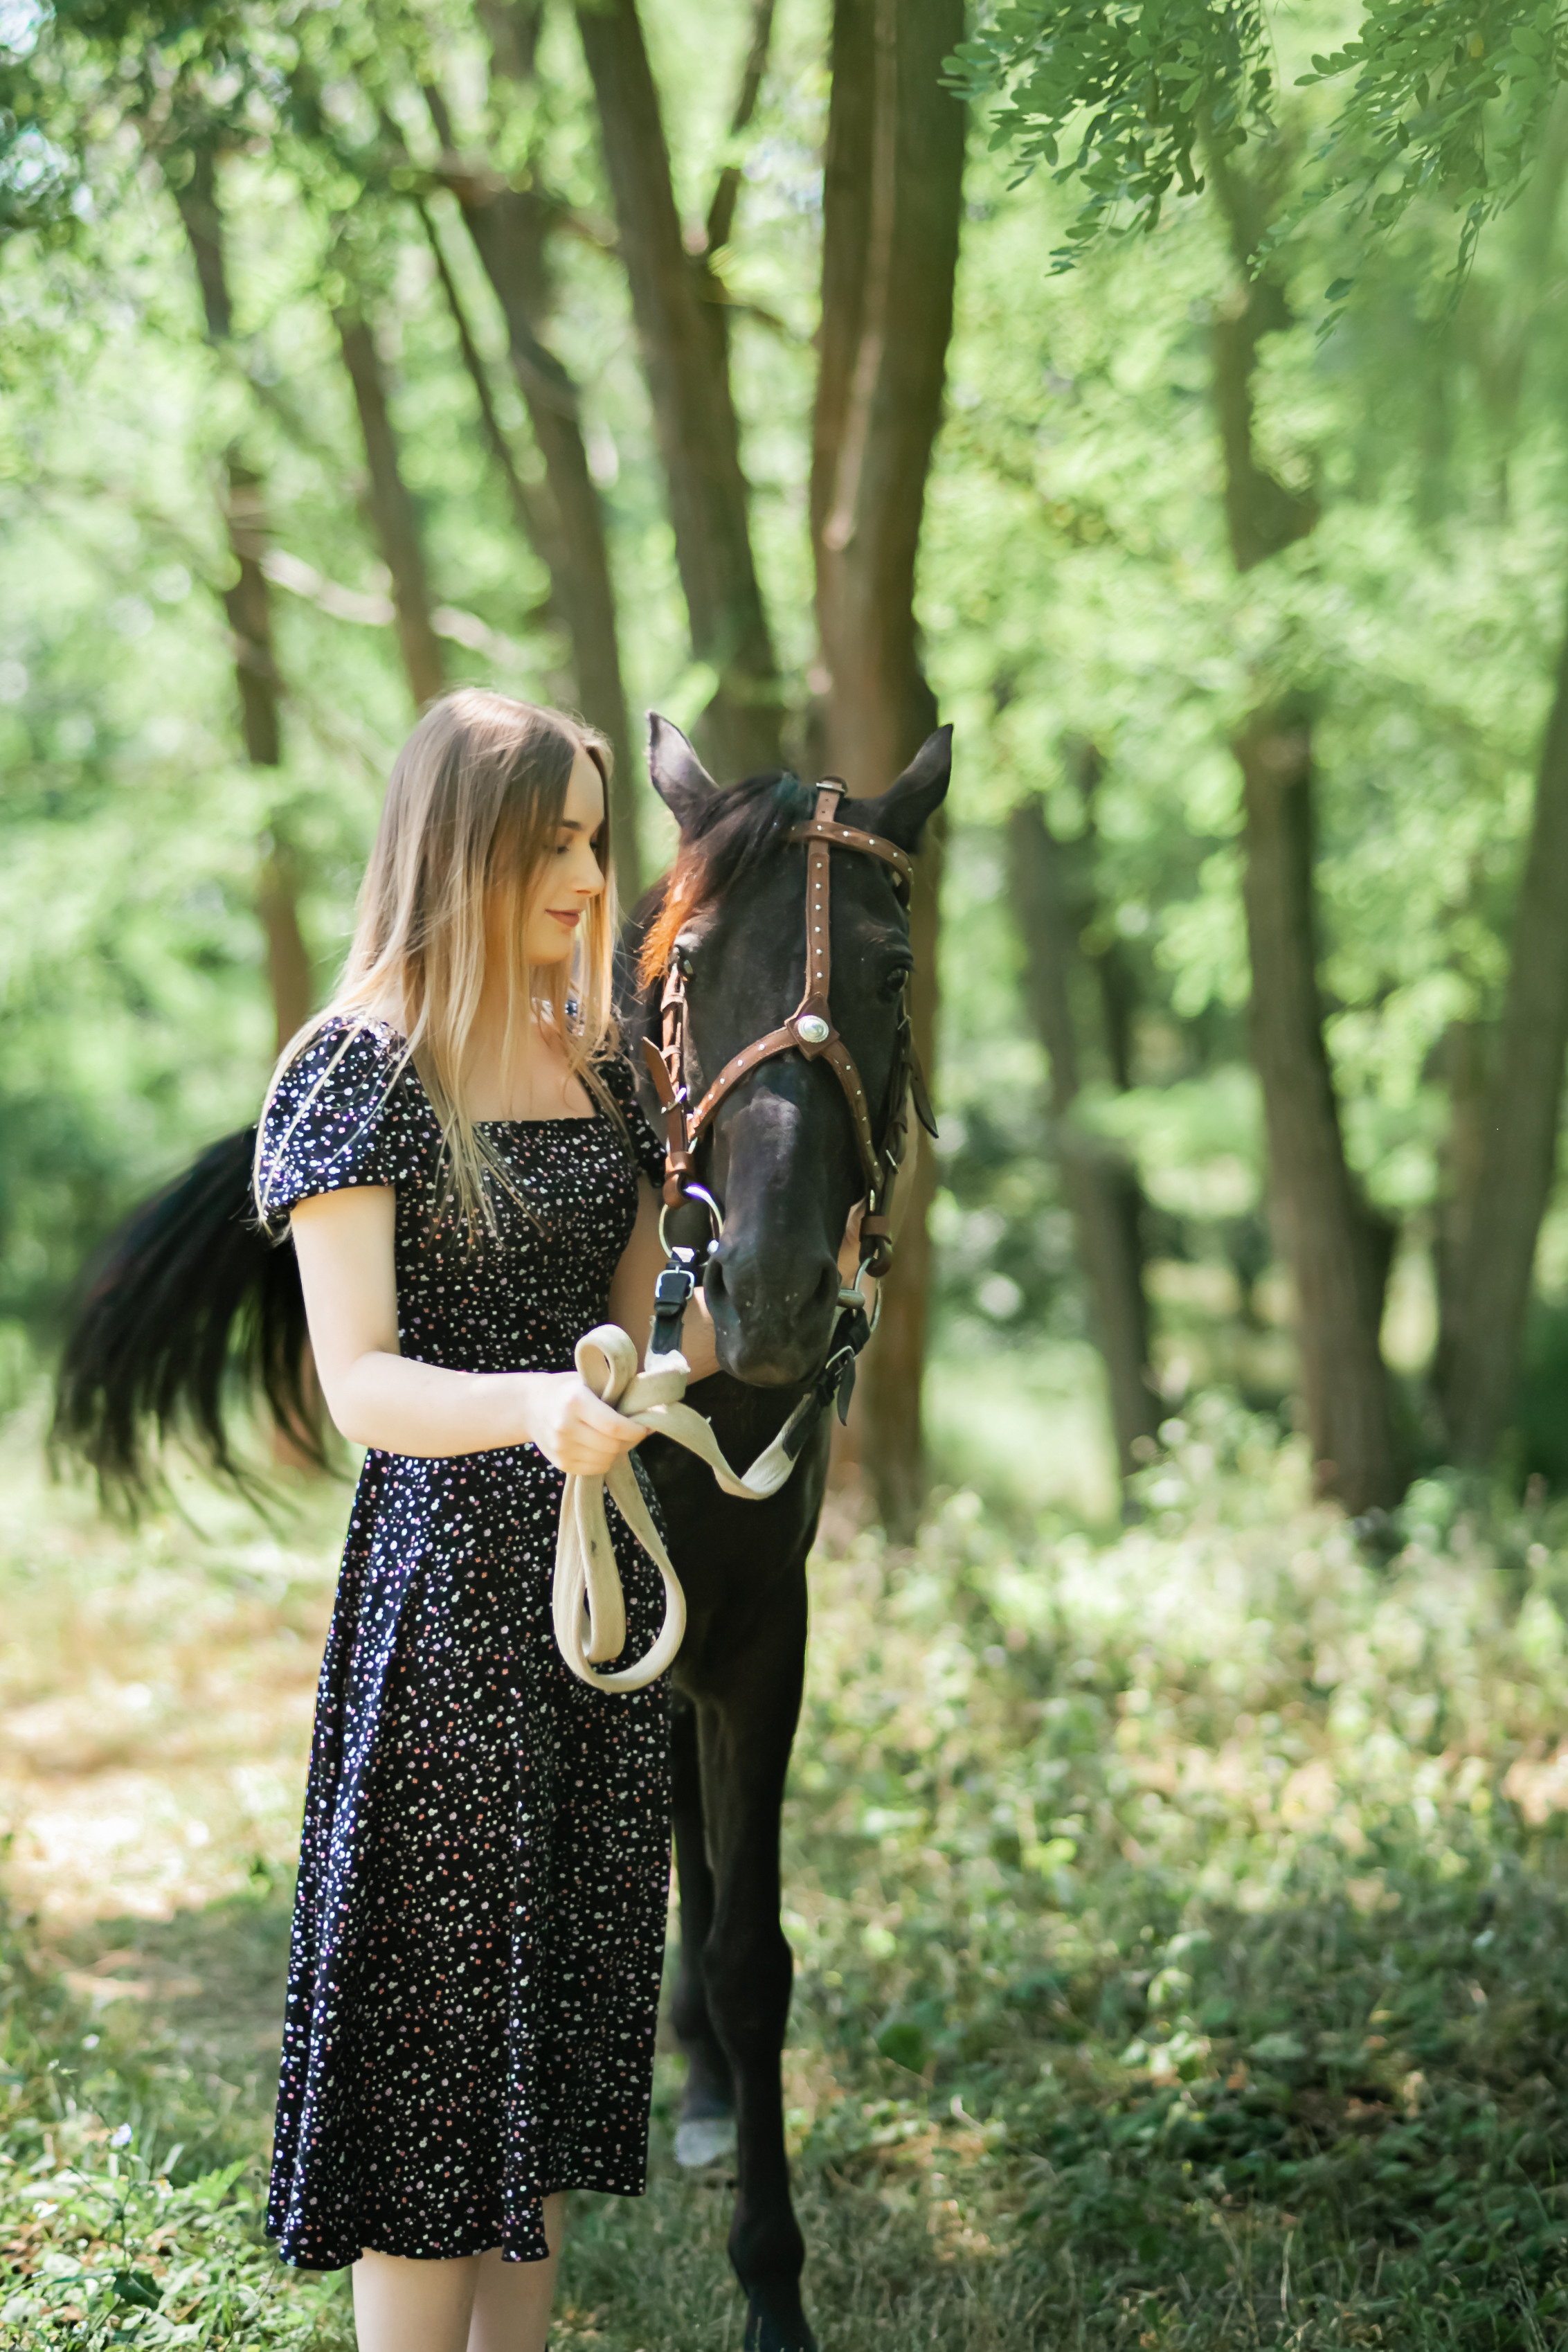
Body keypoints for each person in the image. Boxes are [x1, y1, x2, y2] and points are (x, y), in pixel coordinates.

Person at [252, 691, 709, 2352]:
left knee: (546, 2069)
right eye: (563, 841)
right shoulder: (358, 1068)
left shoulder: (600, 1055)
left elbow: (651, 1309)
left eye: (599, 837)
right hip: (447, 1612)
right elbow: (361, 1379)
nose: (596, 876)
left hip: (591, 1623)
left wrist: (731, 1323)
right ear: (468, 845)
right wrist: (527, 1404)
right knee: (434, 2069)